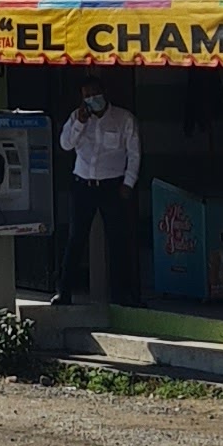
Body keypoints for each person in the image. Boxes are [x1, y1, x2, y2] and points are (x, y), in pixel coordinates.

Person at [57, 83, 141, 301]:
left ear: (104, 93)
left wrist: (128, 183)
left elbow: (134, 154)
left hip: (111, 186)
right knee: (76, 239)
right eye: (86, 95)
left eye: (95, 94)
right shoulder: (77, 117)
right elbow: (65, 144)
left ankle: (122, 296)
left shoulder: (124, 119)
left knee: (117, 240)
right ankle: (64, 292)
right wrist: (79, 124)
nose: (91, 99)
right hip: (83, 184)